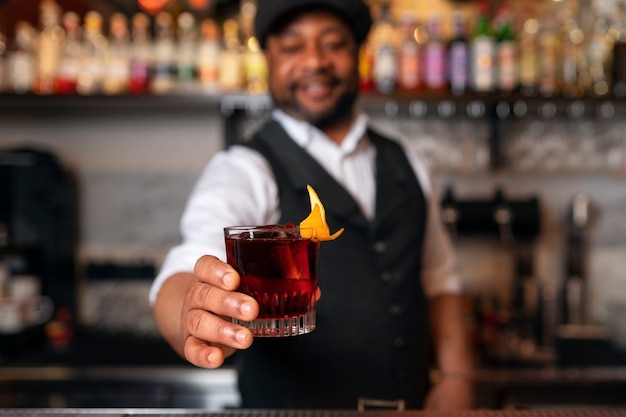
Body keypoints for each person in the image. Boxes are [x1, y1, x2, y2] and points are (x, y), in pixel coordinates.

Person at [151, 0, 475, 409]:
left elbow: (439, 281)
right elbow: (185, 267)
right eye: (291, 48)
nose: (315, 61)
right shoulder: (245, 167)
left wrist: (457, 378)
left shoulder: (407, 159)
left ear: (358, 52)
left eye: (333, 44)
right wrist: (190, 313)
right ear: (266, 57)